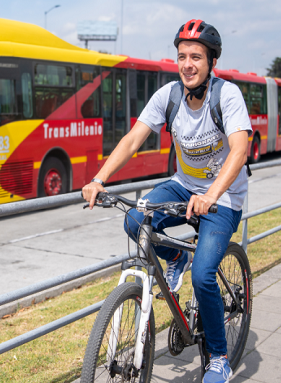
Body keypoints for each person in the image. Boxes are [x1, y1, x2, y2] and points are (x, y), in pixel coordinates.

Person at [82, 19, 252, 383]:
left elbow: (240, 150)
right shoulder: (169, 96)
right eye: (181, 56)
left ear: (210, 63)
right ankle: (175, 257)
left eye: (195, 57)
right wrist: (98, 179)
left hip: (223, 198)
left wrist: (211, 194)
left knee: (205, 276)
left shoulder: (227, 96)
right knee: (134, 220)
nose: (187, 64)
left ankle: (219, 357)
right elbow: (131, 140)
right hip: (182, 185)